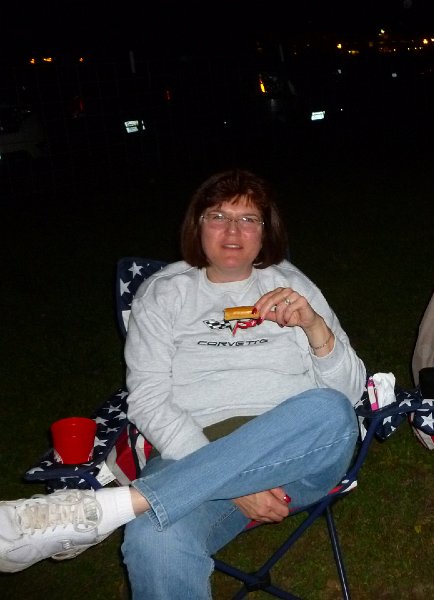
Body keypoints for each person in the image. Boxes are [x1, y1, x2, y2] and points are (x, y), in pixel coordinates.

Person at [0, 169, 367, 598]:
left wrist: (313, 324)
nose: (233, 230)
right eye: (218, 216)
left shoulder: (291, 285)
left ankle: (107, 508)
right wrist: (234, 480)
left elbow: (350, 393)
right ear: (197, 226)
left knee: (328, 410)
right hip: (188, 449)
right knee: (154, 540)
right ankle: (126, 508)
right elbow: (149, 399)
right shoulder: (163, 293)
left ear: (266, 233)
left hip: (298, 455)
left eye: (248, 219)